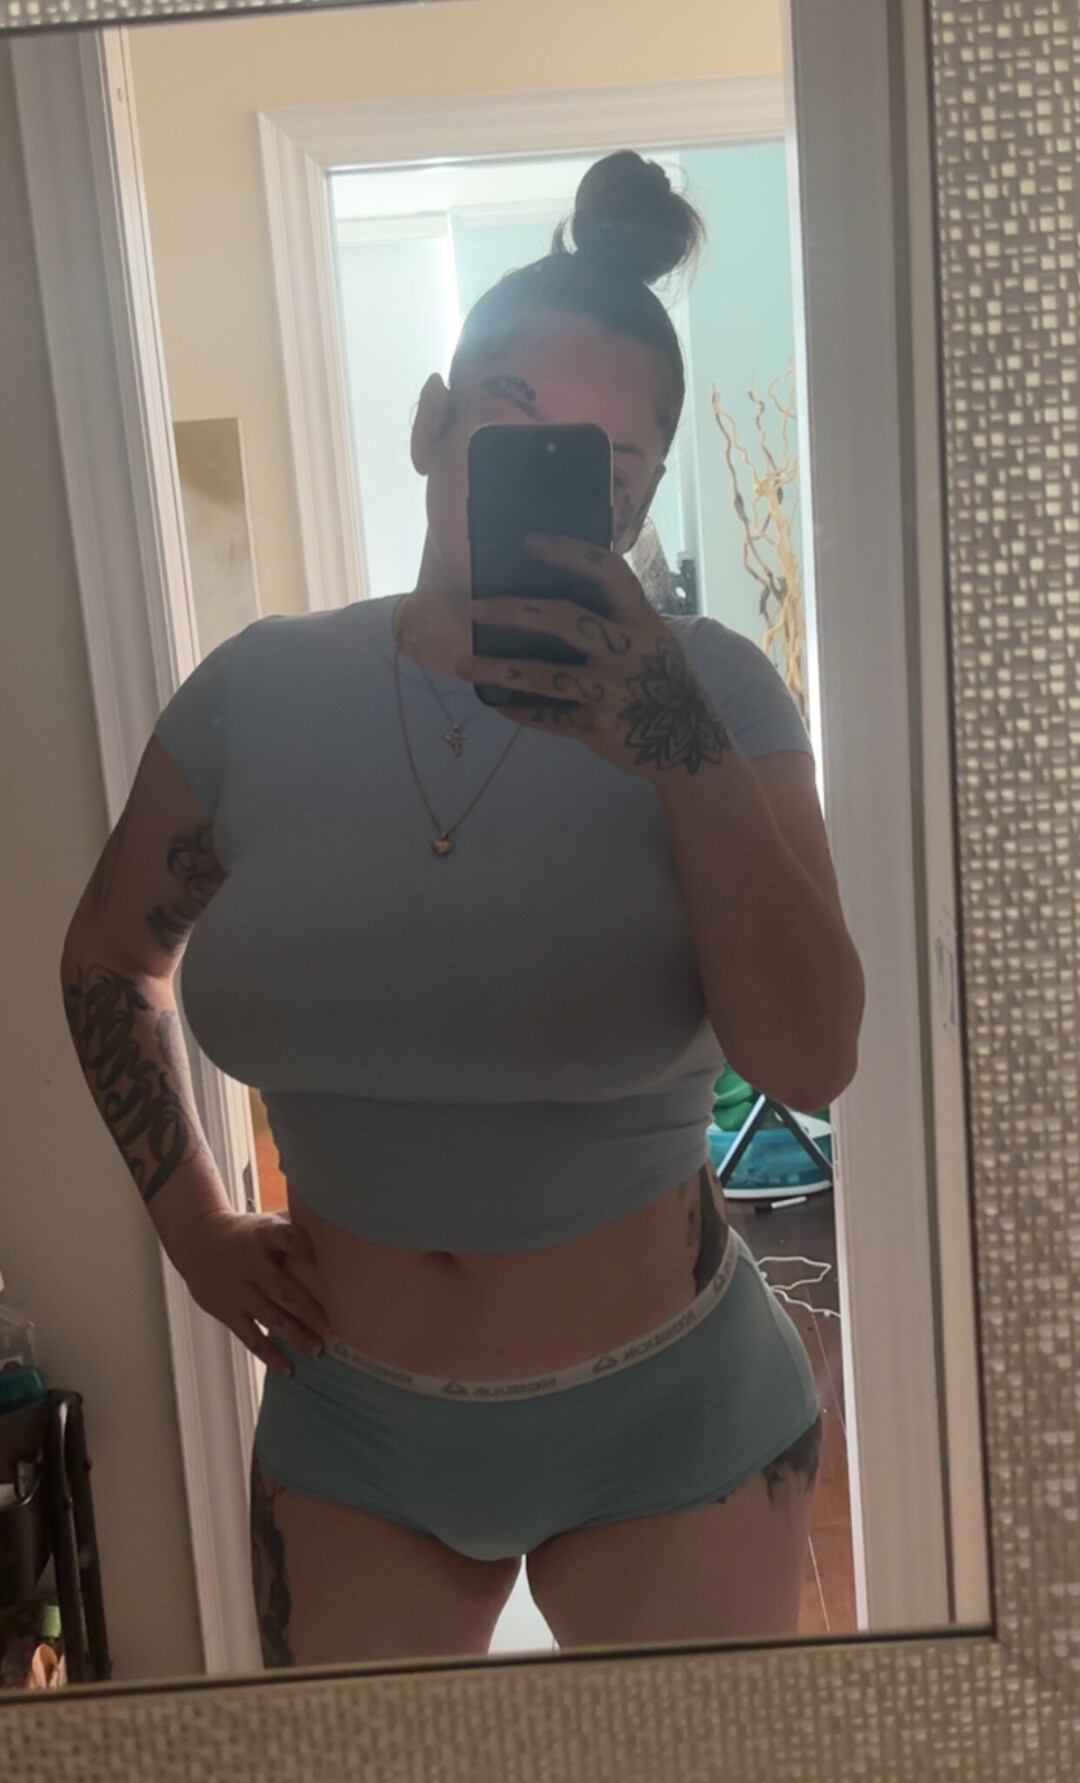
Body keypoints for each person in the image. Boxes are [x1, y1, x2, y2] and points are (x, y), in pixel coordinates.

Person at [60, 151, 865, 1670]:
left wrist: (676, 746)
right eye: (515, 410)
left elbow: (811, 1054)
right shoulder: (257, 693)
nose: (559, 469)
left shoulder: (718, 695)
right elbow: (109, 956)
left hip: (673, 1414)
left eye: (610, 460)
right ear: (431, 421)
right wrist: (192, 1226)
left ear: (641, 497)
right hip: (349, 1420)